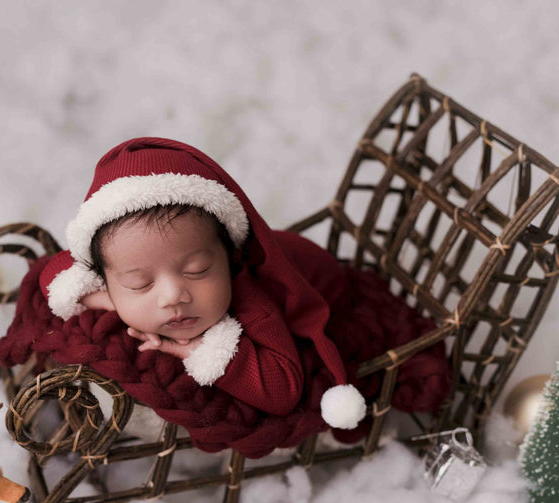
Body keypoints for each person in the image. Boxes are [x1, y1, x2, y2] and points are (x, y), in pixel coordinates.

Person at [37, 137, 367, 429]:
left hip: (322, 281)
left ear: (230, 258)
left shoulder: (254, 308)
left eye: (197, 270)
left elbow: (284, 392)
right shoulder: (116, 264)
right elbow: (54, 272)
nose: (172, 296)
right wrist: (109, 299)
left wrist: (198, 350)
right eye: (139, 283)